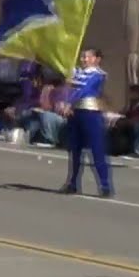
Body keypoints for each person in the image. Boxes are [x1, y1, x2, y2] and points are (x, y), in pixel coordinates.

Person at [60, 47, 114, 197]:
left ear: (97, 59)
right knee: (75, 151)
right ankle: (72, 183)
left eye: (87, 57)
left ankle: (105, 185)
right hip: (76, 113)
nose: (83, 59)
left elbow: (84, 89)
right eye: (82, 57)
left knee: (97, 150)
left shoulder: (98, 75)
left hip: (91, 113)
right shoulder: (76, 72)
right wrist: (65, 100)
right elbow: (70, 89)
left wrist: (69, 102)